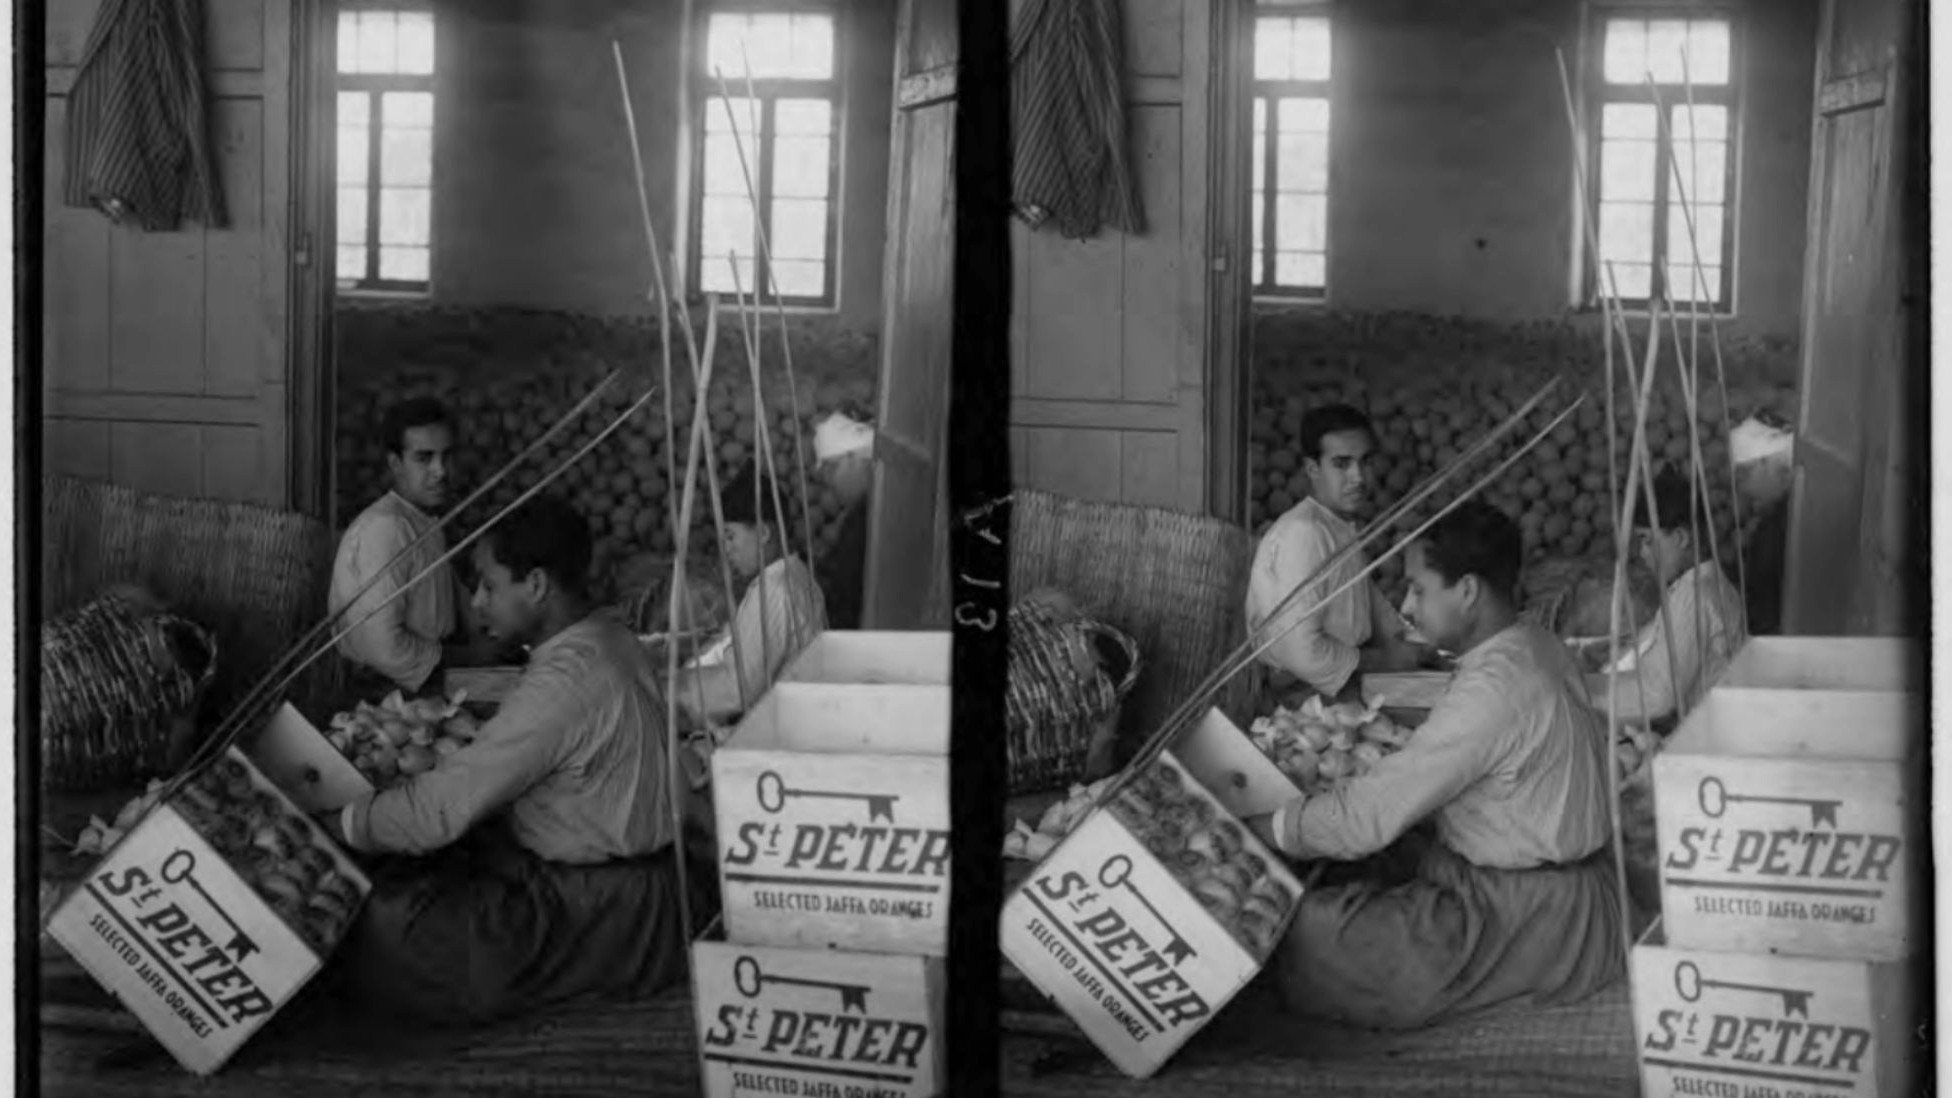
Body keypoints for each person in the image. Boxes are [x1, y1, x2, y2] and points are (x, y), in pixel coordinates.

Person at [1246, 502, 1623, 1031]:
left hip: (1531, 915)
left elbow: (1363, 821)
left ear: (1467, 591)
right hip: (1545, 885)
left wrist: (1263, 828)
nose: (1407, 605)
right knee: (1378, 855)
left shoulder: (1495, 688)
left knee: (1310, 932)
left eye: (1420, 589)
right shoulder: (1531, 645)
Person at [331, 496, 709, 1024]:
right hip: (635, 881)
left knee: (385, 926)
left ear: (535, 586)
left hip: (603, 907)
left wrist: (339, 822)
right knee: (444, 856)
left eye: (489, 585)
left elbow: (436, 813)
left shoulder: (567, 680)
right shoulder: (606, 636)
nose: (478, 603)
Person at [1246, 404, 1428, 701]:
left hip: (1343, 682)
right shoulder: (1304, 534)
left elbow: (1369, 599)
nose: (1358, 477)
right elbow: (1302, 653)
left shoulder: (1337, 526)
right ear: (1313, 469)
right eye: (1342, 464)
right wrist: (1383, 660)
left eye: (1365, 461)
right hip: (1304, 697)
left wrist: (1415, 640)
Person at [328, 398, 478, 695]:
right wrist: (461, 660)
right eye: (424, 458)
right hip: (386, 692)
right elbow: (383, 648)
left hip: (425, 678)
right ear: (396, 464)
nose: (440, 471)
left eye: (446, 456)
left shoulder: (425, 520)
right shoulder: (387, 528)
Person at [1588, 466, 1747, 728]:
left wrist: (1579, 688)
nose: (1641, 553)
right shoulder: (1705, 584)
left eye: (1647, 540)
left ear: (1681, 537)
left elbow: (1657, 695)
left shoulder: (1695, 595)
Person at [671, 463, 828, 724]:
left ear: (764, 532)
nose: (727, 550)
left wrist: (674, 685)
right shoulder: (795, 576)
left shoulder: (776, 591)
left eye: (731, 537)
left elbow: (737, 689)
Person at [812, 407, 876, 630]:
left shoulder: (868, 519)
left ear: (856, 458)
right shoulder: (859, 514)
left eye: (832, 468)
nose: (828, 481)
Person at [1730, 414, 1793, 636]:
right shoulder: (1773, 521)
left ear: (1769, 463)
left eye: (1745, 474)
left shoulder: (1784, 525)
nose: (1743, 488)